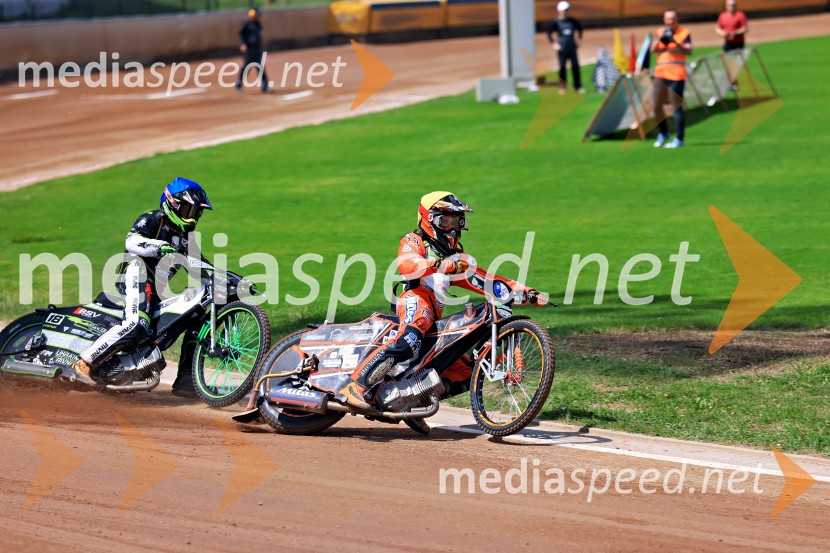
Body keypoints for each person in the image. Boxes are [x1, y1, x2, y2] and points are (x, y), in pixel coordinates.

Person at [336, 192, 541, 418]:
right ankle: (355, 385)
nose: (452, 229)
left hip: (434, 315)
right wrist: (439, 265)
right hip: (416, 300)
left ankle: (411, 402)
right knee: (408, 343)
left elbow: (488, 281)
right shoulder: (414, 240)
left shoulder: (456, 258)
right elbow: (407, 264)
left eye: (457, 222)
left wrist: (524, 291)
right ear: (427, 219)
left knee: (465, 372)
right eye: (445, 221)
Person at [70, 177, 212, 398]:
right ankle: (84, 363)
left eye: (195, 213)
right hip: (137, 274)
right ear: (171, 204)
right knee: (137, 324)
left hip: (156, 290)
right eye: (187, 210)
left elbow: (201, 267)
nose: (191, 217)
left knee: (195, 317)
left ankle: (187, 380)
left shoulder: (186, 239)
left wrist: (231, 280)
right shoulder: (153, 219)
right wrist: (159, 247)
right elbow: (132, 241)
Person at [651, 8, 692, 149]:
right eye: (668, 19)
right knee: (656, 106)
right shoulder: (659, 32)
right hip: (660, 73)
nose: (670, 22)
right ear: (664, 20)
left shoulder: (684, 33)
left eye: (673, 19)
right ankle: (663, 133)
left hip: (677, 74)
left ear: (677, 20)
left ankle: (680, 139)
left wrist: (675, 41)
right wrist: (658, 38)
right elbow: (652, 50)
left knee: (676, 107)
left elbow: (689, 50)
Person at [546, 1, 584, 94]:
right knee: (562, 67)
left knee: (575, 66)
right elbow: (549, 33)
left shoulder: (572, 21)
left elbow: (580, 29)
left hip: (572, 47)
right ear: (559, 11)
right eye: (563, 10)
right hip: (562, 48)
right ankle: (562, 87)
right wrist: (554, 44)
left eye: (566, 10)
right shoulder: (556, 22)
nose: (564, 12)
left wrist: (578, 40)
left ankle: (577, 86)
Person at [235, 8, 270, 93]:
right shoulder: (247, 24)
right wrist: (242, 44)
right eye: (257, 14)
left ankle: (265, 86)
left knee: (260, 67)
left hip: (257, 49)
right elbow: (241, 34)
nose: (259, 16)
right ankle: (239, 83)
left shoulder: (258, 24)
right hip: (249, 49)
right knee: (246, 67)